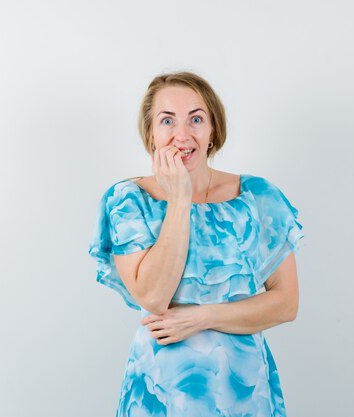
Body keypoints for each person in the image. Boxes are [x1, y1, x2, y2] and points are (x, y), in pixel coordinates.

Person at [87, 71, 304, 417]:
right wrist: (179, 200)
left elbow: (286, 303)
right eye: (167, 120)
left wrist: (202, 317)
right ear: (151, 133)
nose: (182, 135)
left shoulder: (257, 197)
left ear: (213, 130)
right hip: (162, 393)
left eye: (196, 119)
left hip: (244, 392)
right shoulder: (128, 201)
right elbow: (154, 296)